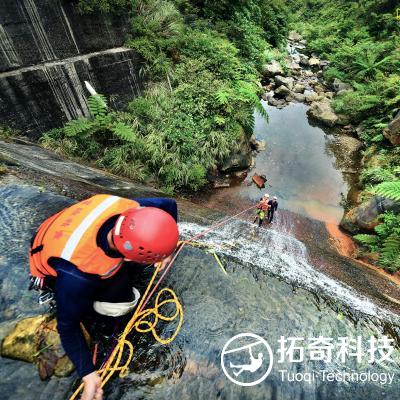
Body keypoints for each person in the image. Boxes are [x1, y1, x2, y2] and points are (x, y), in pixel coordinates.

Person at [29, 194, 179, 400]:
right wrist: (88, 375)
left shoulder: (134, 211)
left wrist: (165, 251)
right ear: (127, 257)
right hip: (53, 264)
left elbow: (168, 204)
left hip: (59, 230)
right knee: (119, 305)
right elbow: (67, 325)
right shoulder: (78, 274)